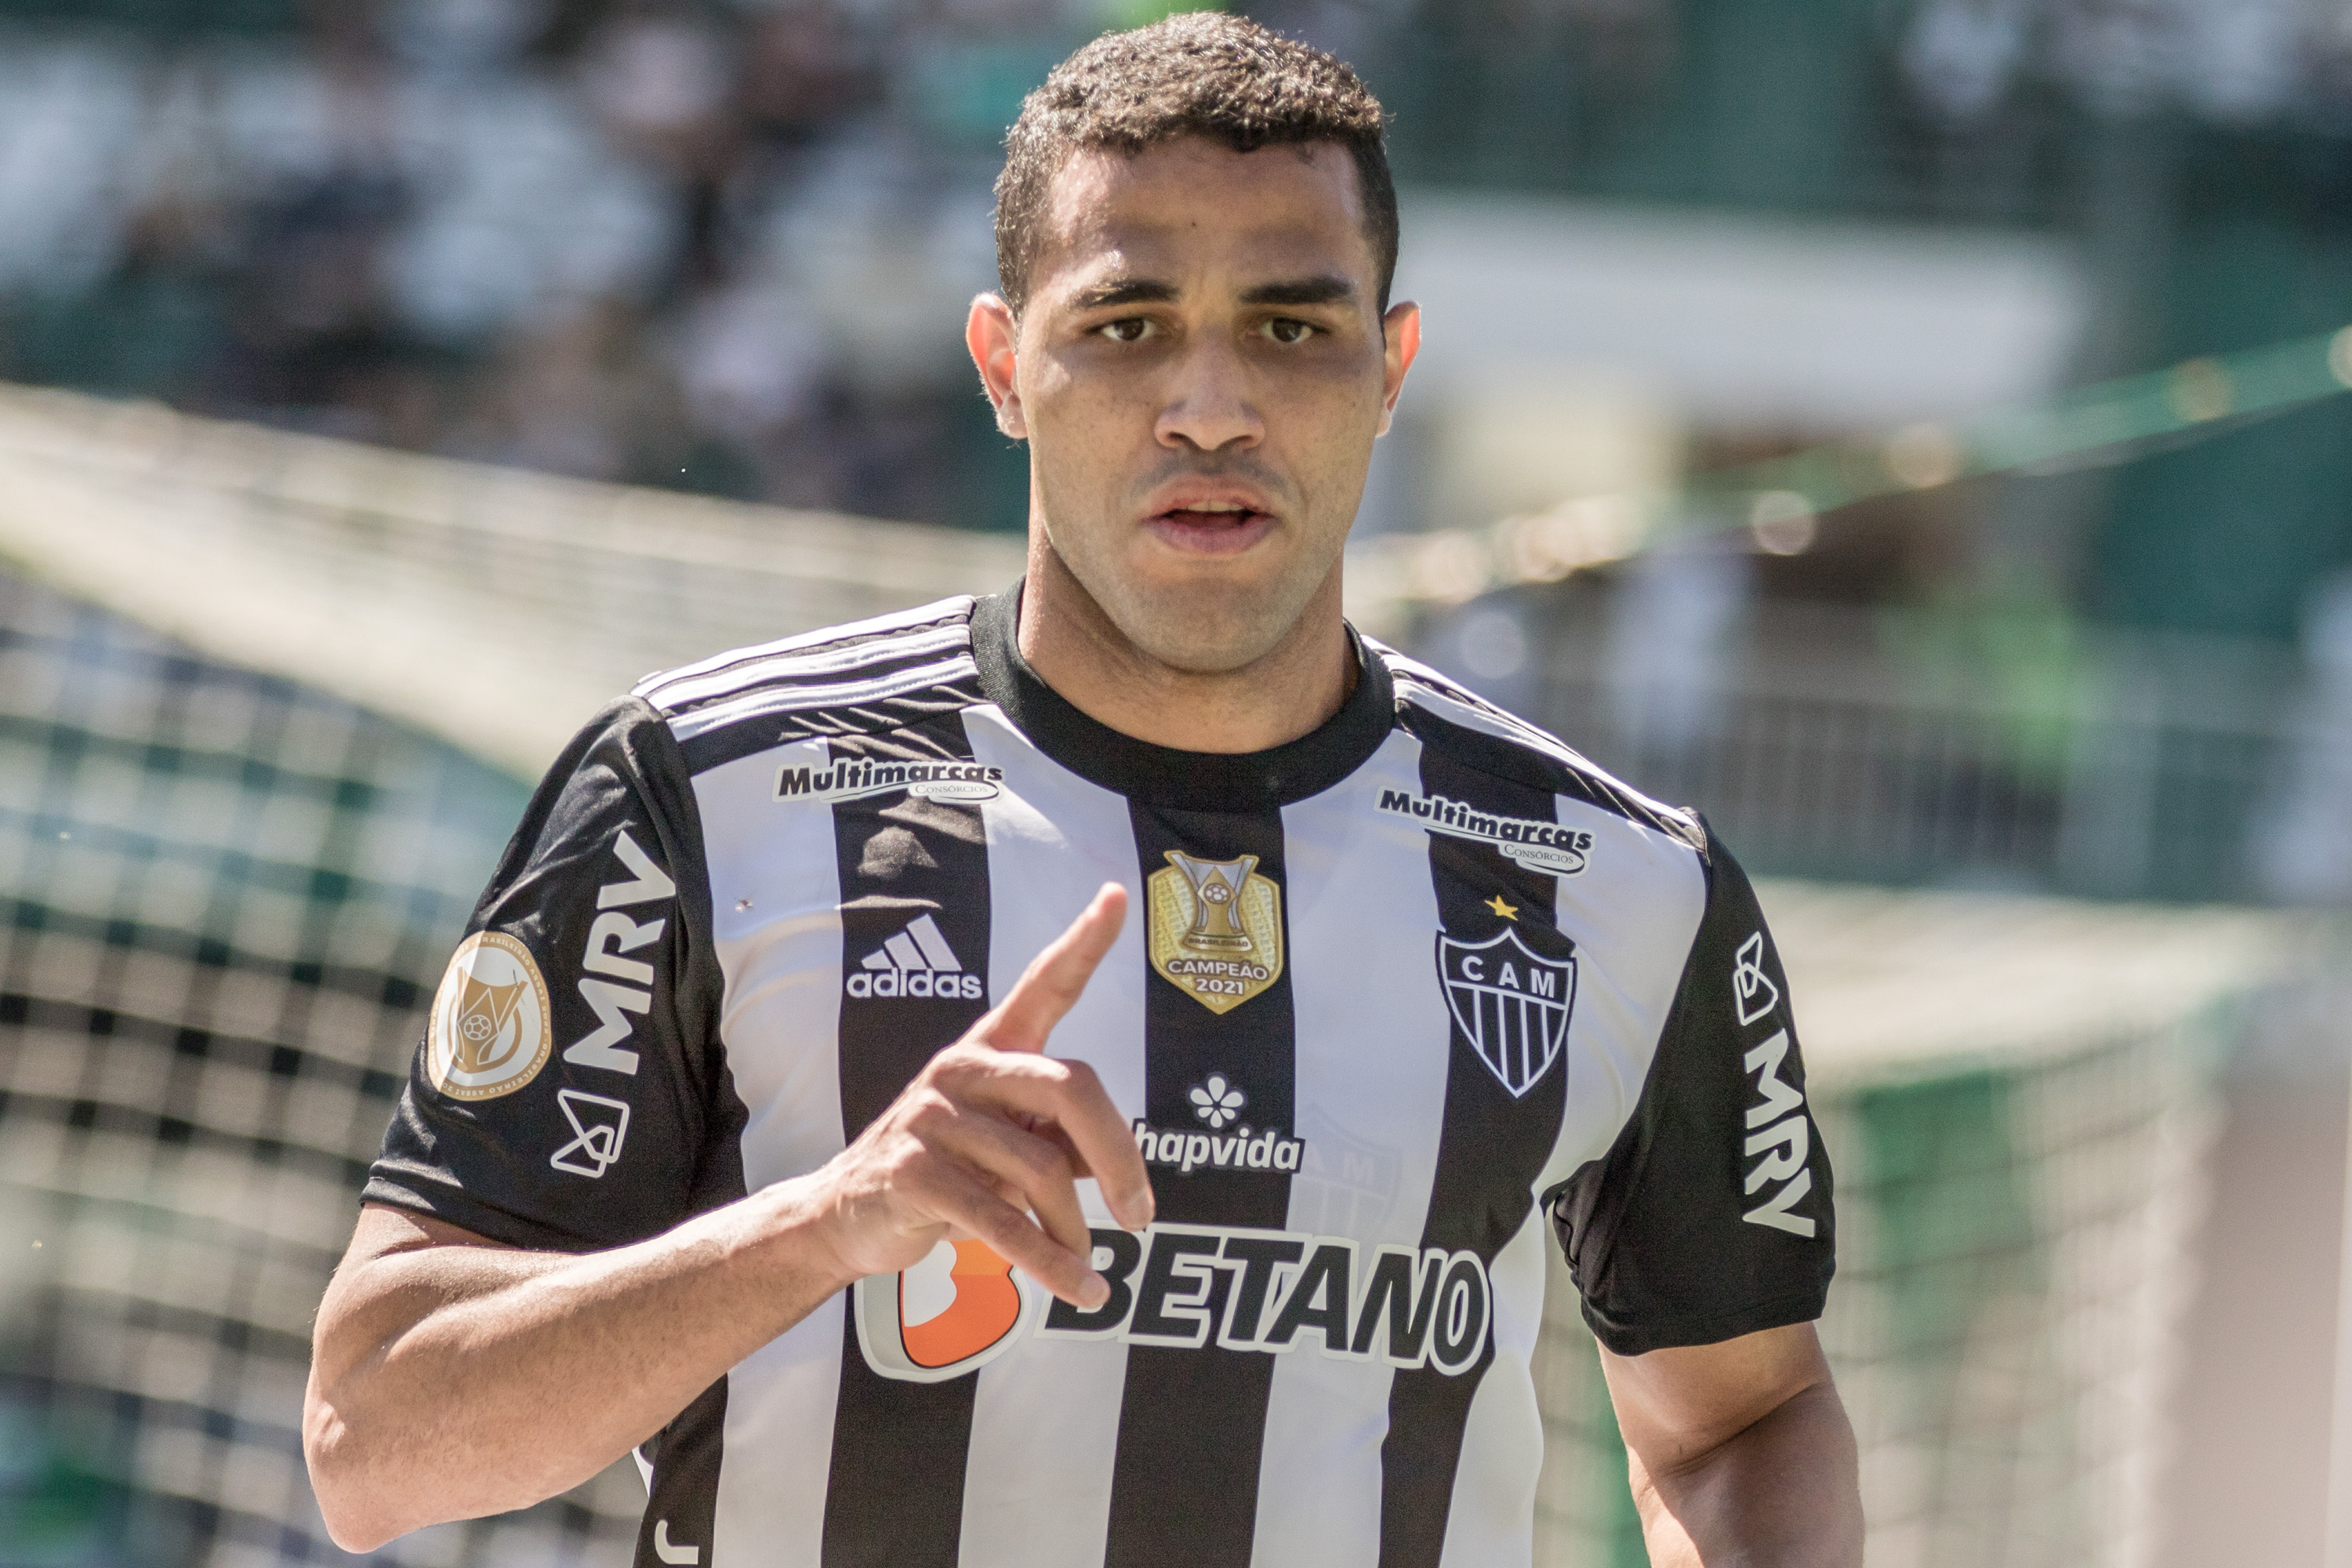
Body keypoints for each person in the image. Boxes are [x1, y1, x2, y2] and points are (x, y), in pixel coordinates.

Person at [303, 14, 1861, 1566]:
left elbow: (1742, 1418)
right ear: (1004, 366)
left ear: (1390, 369)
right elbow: (373, 1438)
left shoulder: (1618, 883)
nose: (1211, 407)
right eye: (1125, 325)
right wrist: (826, 1221)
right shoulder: (702, 796)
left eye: (1290, 328)